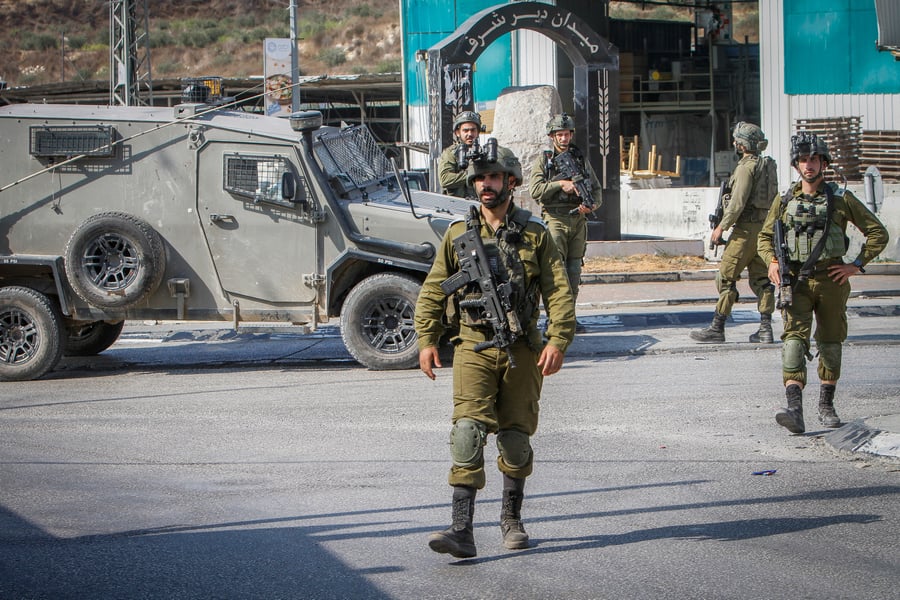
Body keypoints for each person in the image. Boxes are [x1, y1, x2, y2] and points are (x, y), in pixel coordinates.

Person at [415, 148, 576, 559]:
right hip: (472, 343)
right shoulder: (457, 234)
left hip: (523, 348)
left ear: (511, 182)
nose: (485, 185)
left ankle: (511, 519)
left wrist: (558, 339)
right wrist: (427, 339)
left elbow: (558, 290)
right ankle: (461, 529)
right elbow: (435, 288)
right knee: (468, 429)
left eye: (493, 177)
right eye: (479, 179)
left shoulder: (536, 233)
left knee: (515, 437)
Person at [757, 132, 888, 434]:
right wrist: (773, 262)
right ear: (796, 164)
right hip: (796, 281)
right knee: (793, 339)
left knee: (830, 341)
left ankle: (826, 405)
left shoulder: (842, 199)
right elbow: (764, 238)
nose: (809, 165)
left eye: (814, 159)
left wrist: (855, 265)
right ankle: (795, 409)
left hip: (831, 279)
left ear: (824, 163)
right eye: (803, 160)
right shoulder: (785, 200)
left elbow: (878, 233)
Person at [690, 122, 778, 343]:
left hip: (745, 231)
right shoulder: (767, 166)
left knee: (726, 278)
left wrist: (721, 227)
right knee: (761, 280)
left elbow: (737, 203)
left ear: (742, 144)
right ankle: (766, 329)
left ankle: (717, 327)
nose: (734, 143)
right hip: (763, 230)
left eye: (737, 140)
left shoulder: (746, 167)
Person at [529, 113, 603, 333]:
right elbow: (535, 191)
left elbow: (596, 190)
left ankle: (569, 317)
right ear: (552, 136)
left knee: (573, 271)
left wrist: (591, 206)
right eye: (559, 134)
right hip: (555, 219)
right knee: (555, 272)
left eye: (567, 134)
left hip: (578, 220)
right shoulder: (545, 160)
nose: (564, 138)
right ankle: (554, 319)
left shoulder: (579, 158)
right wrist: (560, 184)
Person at [438, 111, 483, 197]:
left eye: (473, 130)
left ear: (477, 132)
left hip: (479, 204)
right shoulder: (451, 153)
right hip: (456, 205)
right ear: (457, 133)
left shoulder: (483, 153)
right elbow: (444, 179)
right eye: (465, 130)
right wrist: (471, 173)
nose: (469, 134)